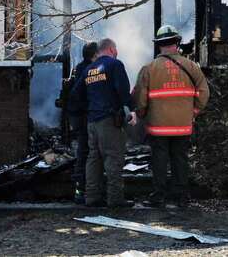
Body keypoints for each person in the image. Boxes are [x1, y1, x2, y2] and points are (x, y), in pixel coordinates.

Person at [133, 24, 209, 207]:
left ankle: (159, 195)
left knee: (159, 161)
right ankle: (181, 196)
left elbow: (140, 98)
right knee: (180, 159)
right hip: (183, 125)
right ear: (177, 43)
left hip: (158, 126)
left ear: (159, 45)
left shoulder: (149, 69)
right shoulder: (192, 66)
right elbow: (204, 92)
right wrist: (194, 112)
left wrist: (142, 114)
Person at [69, 37, 137, 208]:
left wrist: (90, 108)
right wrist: (133, 109)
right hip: (109, 120)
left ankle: (91, 197)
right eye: (116, 50)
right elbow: (123, 91)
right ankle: (115, 199)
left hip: (91, 121)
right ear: (112, 49)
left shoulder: (89, 69)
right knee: (113, 158)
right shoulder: (115, 65)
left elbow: (76, 94)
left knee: (94, 159)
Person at [65, 41, 99, 204]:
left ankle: (83, 188)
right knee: (85, 151)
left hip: (78, 115)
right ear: (95, 55)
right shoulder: (89, 71)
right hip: (84, 116)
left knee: (84, 150)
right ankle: (82, 188)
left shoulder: (79, 68)